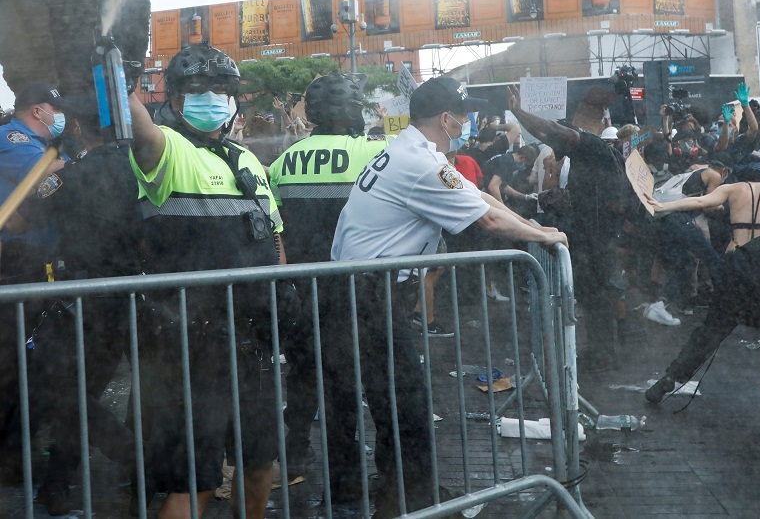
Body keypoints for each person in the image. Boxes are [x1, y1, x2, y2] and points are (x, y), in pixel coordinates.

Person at [330, 76, 566, 516]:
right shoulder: (420, 163)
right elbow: (489, 223)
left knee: (398, 403)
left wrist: (538, 231)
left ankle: (408, 496)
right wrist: (546, 238)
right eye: (462, 113)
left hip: (366, 291)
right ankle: (412, 503)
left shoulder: (409, 152)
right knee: (406, 407)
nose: (466, 120)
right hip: (368, 294)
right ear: (445, 119)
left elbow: (475, 195)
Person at [127, 44, 286, 519]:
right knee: (194, 482)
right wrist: (121, 75)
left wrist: (284, 304)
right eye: (197, 90)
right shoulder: (166, 150)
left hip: (253, 341)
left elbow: (274, 238)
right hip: (191, 347)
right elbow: (140, 130)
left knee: (261, 467)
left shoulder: (247, 161)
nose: (212, 97)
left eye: (221, 89)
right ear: (174, 100)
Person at [13, 94, 142, 514]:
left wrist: (47, 173)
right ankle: (57, 488)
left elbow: (20, 217)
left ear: (78, 129)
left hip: (81, 299)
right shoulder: (139, 169)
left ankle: (134, 457)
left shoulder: (74, 174)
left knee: (62, 391)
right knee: (86, 392)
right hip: (132, 295)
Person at [267, 73, 394, 491]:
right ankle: (355, 472)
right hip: (361, 291)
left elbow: (278, 230)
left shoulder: (285, 161)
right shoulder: (375, 153)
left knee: (304, 375)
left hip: (304, 291)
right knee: (362, 379)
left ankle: (295, 454)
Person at [644, 155, 760, 404]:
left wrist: (663, 207)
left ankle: (668, 380)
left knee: (712, 330)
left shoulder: (731, 188)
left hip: (736, 267)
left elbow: (699, 200)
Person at [507, 84, 632, 371]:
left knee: (598, 295)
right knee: (592, 295)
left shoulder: (590, 146)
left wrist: (518, 111)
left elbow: (552, 130)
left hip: (598, 237)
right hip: (593, 234)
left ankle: (605, 355)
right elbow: (546, 134)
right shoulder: (586, 152)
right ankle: (601, 350)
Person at [0, 82, 68, 476]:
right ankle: (10, 457)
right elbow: (42, 179)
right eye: (53, 110)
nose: (58, 118)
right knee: (15, 363)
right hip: (16, 262)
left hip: (34, 262)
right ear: (36, 110)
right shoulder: (12, 139)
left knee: (25, 363)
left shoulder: (38, 143)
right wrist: (81, 163)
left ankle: (15, 451)